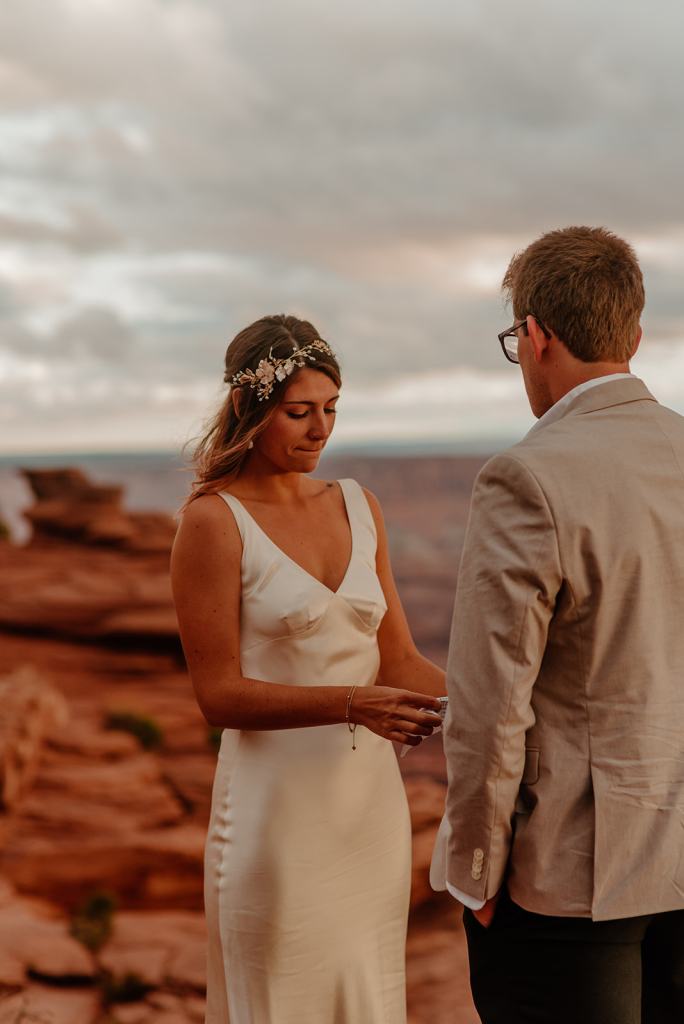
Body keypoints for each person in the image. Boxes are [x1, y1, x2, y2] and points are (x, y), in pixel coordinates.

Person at [434, 226, 684, 1023]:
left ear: (536, 336)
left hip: (575, 881)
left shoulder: (528, 476)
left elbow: (489, 705)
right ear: (634, 335)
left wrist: (475, 868)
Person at [170, 314, 445, 1024]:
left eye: (330, 410)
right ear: (249, 409)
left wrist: (508, 702)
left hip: (368, 813)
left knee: (368, 996)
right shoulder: (213, 521)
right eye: (299, 413)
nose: (319, 430)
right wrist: (353, 704)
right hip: (278, 817)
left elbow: (401, 660)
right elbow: (218, 695)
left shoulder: (359, 504)